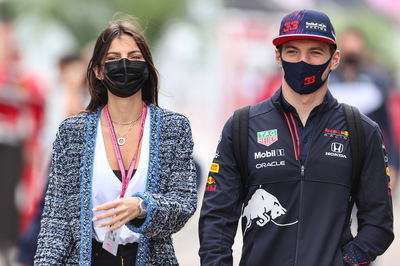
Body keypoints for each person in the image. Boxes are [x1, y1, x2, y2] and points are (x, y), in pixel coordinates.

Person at [199, 9, 393, 266]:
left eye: (315, 52)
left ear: (334, 59)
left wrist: (344, 261)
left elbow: (379, 224)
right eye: (292, 52)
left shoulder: (361, 130)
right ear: (278, 57)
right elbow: (216, 220)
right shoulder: (242, 126)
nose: (303, 61)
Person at [34, 16, 197, 265]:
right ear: (98, 70)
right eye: (112, 59)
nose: (123, 65)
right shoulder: (72, 132)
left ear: (146, 67)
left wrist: (143, 207)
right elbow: (56, 219)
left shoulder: (173, 128)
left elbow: (184, 203)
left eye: (134, 58)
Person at [329, 27, 399, 188]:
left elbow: (388, 125)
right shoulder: (329, 78)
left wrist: (393, 165)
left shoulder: (377, 79)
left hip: (370, 155)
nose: (352, 47)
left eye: (356, 42)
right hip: (336, 154)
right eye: (348, 42)